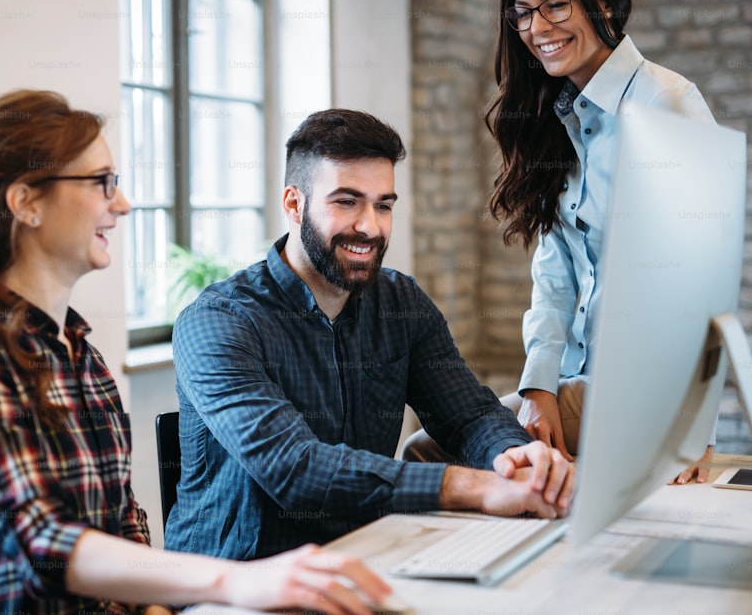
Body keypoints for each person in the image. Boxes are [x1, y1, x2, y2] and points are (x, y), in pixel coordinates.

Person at [0, 89, 395, 615]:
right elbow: (43, 542)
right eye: (101, 183)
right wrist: (233, 582)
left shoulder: (80, 355)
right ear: (25, 203)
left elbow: (124, 526)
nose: (122, 203)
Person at [165, 108, 574, 562]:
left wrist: (516, 460)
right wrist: (473, 486)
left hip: (368, 560)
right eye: (346, 201)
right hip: (238, 589)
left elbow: (470, 416)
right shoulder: (218, 321)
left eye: (383, 205)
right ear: (294, 204)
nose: (370, 227)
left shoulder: (401, 303)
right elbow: (294, 468)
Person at [406, 0, 716, 483]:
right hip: (584, 382)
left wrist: (689, 431)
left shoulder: (668, 104)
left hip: (647, 394)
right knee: (454, 451)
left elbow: (707, 283)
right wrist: (539, 388)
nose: (536, 27)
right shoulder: (564, 117)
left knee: (428, 452)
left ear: (600, 1)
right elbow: (555, 274)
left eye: (555, 5)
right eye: (523, 12)